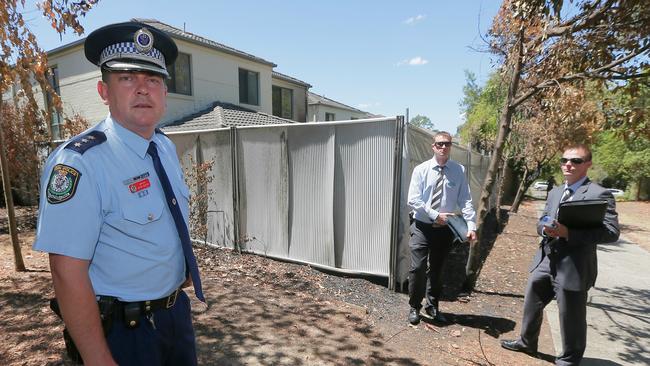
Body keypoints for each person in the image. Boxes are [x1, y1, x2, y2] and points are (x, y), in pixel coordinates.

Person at [34, 22, 204, 365]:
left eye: (153, 79)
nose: (143, 89)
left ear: (164, 93)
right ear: (104, 91)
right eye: (127, 78)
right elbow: (67, 272)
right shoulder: (80, 163)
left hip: (175, 316)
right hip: (124, 333)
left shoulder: (164, 147)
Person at [501, 144, 620, 366]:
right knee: (531, 302)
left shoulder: (599, 193)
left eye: (575, 161)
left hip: (574, 266)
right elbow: (543, 220)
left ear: (587, 165)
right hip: (546, 260)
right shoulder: (556, 191)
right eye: (564, 160)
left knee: (570, 317)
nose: (568, 164)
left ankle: (569, 360)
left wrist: (569, 233)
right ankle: (527, 342)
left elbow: (611, 233)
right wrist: (543, 228)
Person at [406, 131, 477, 325]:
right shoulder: (421, 170)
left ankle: (432, 305)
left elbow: (465, 200)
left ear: (451, 146)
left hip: (445, 229)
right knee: (418, 268)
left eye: (447, 144)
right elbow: (413, 199)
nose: (443, 147)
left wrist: (471, 225)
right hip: (422, 225)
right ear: (433, 146)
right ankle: (414, 306)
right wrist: (435, 214)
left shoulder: (458, 170)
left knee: (437, 270)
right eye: (439, 144)